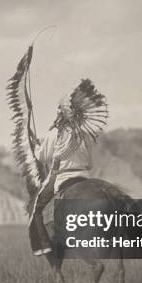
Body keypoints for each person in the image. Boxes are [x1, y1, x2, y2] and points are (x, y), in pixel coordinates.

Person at [28, 79, 107, 256]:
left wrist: (35, 146)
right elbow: (90, 162)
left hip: (62, 178)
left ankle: (44, 245)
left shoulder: (54, 133)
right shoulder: (84, 134)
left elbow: (42, 157)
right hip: (86, 176)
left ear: (61, 114)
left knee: (37, 208)